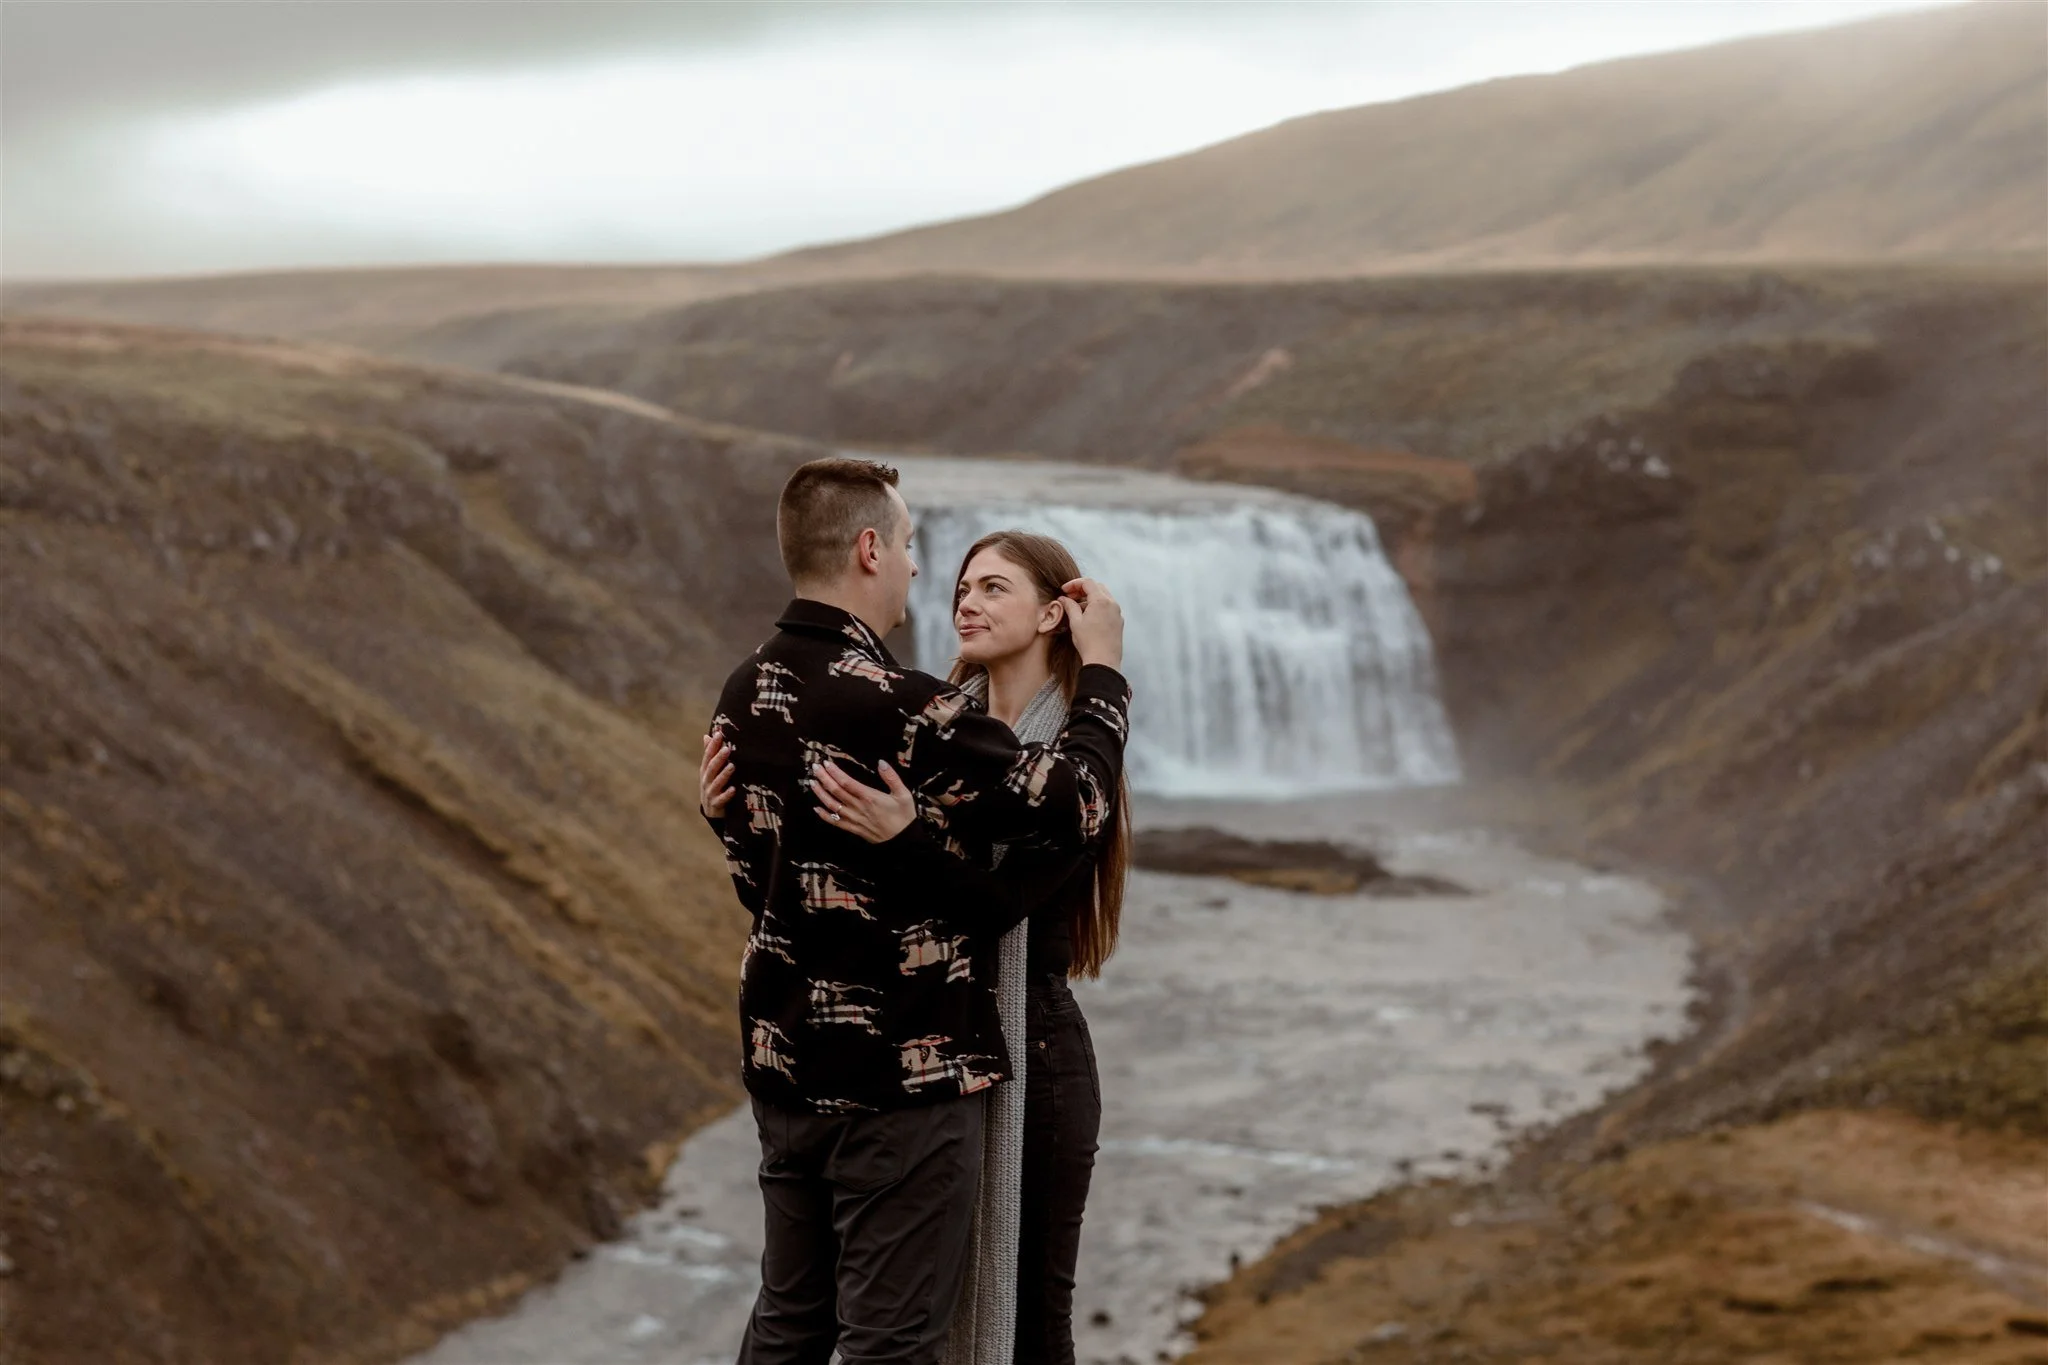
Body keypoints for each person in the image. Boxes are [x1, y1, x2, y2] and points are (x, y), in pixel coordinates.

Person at [699, 458, 1130, 1365]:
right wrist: (1107, 674)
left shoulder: (743, 690)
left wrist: (726, 823)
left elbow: (771, 884)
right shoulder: (907, 708)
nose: (923, 574)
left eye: (988, 584)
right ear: (868, 549)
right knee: (893, 1344)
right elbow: (1073, 802)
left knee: (791, 1321)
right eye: (909, 547)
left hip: (786, 1065)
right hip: (899, 1080)